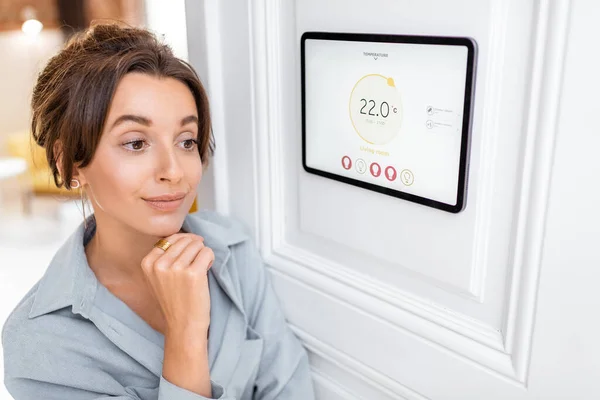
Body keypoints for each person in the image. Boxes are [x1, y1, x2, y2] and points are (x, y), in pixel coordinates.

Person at [1, 23, 315, 400]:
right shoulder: (39, 344)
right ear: (70, 164)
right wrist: (185, 333)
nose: (174, 171)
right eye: (136, 143)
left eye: (186, 141)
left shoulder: (233, 250)